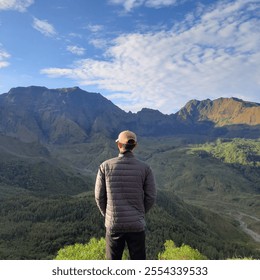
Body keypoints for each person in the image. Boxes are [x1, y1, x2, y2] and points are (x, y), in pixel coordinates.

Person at [95, 130, 156, 260]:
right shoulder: (145, 168)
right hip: (136, 225)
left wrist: (108, 215)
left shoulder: (105, 166)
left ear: (119, 145)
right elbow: (151, 196)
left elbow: (99, 196)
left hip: (114, 225)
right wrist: (139, 214)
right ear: (135, 146)